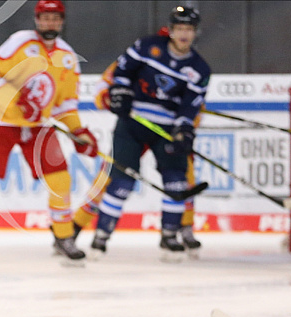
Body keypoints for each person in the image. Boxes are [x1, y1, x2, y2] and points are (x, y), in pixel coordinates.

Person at [0, 0, 98, 265]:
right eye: (45, 17)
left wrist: (78, 131)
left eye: (55, 18)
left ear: (62, 21)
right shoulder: (19, 42)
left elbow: (65, 105)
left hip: (37, 126)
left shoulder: (68, 58)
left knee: (60, 179)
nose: (50, 23)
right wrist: (16, 99)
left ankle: (64, 238)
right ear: (37, 20)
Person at [72, 5, 210, 263]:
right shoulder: (146, 47)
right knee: (117, 179)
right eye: (178, 29)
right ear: (168, 32)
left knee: (179, 180)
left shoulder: (199, 69)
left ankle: (178, 232)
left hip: (165, 128)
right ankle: (84, 229)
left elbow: (191, 106)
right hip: (133, 123)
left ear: (194, 33)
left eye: (188, 30)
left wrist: (185, 129)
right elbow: (114, 79)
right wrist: (115, 96)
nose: (182, 35)